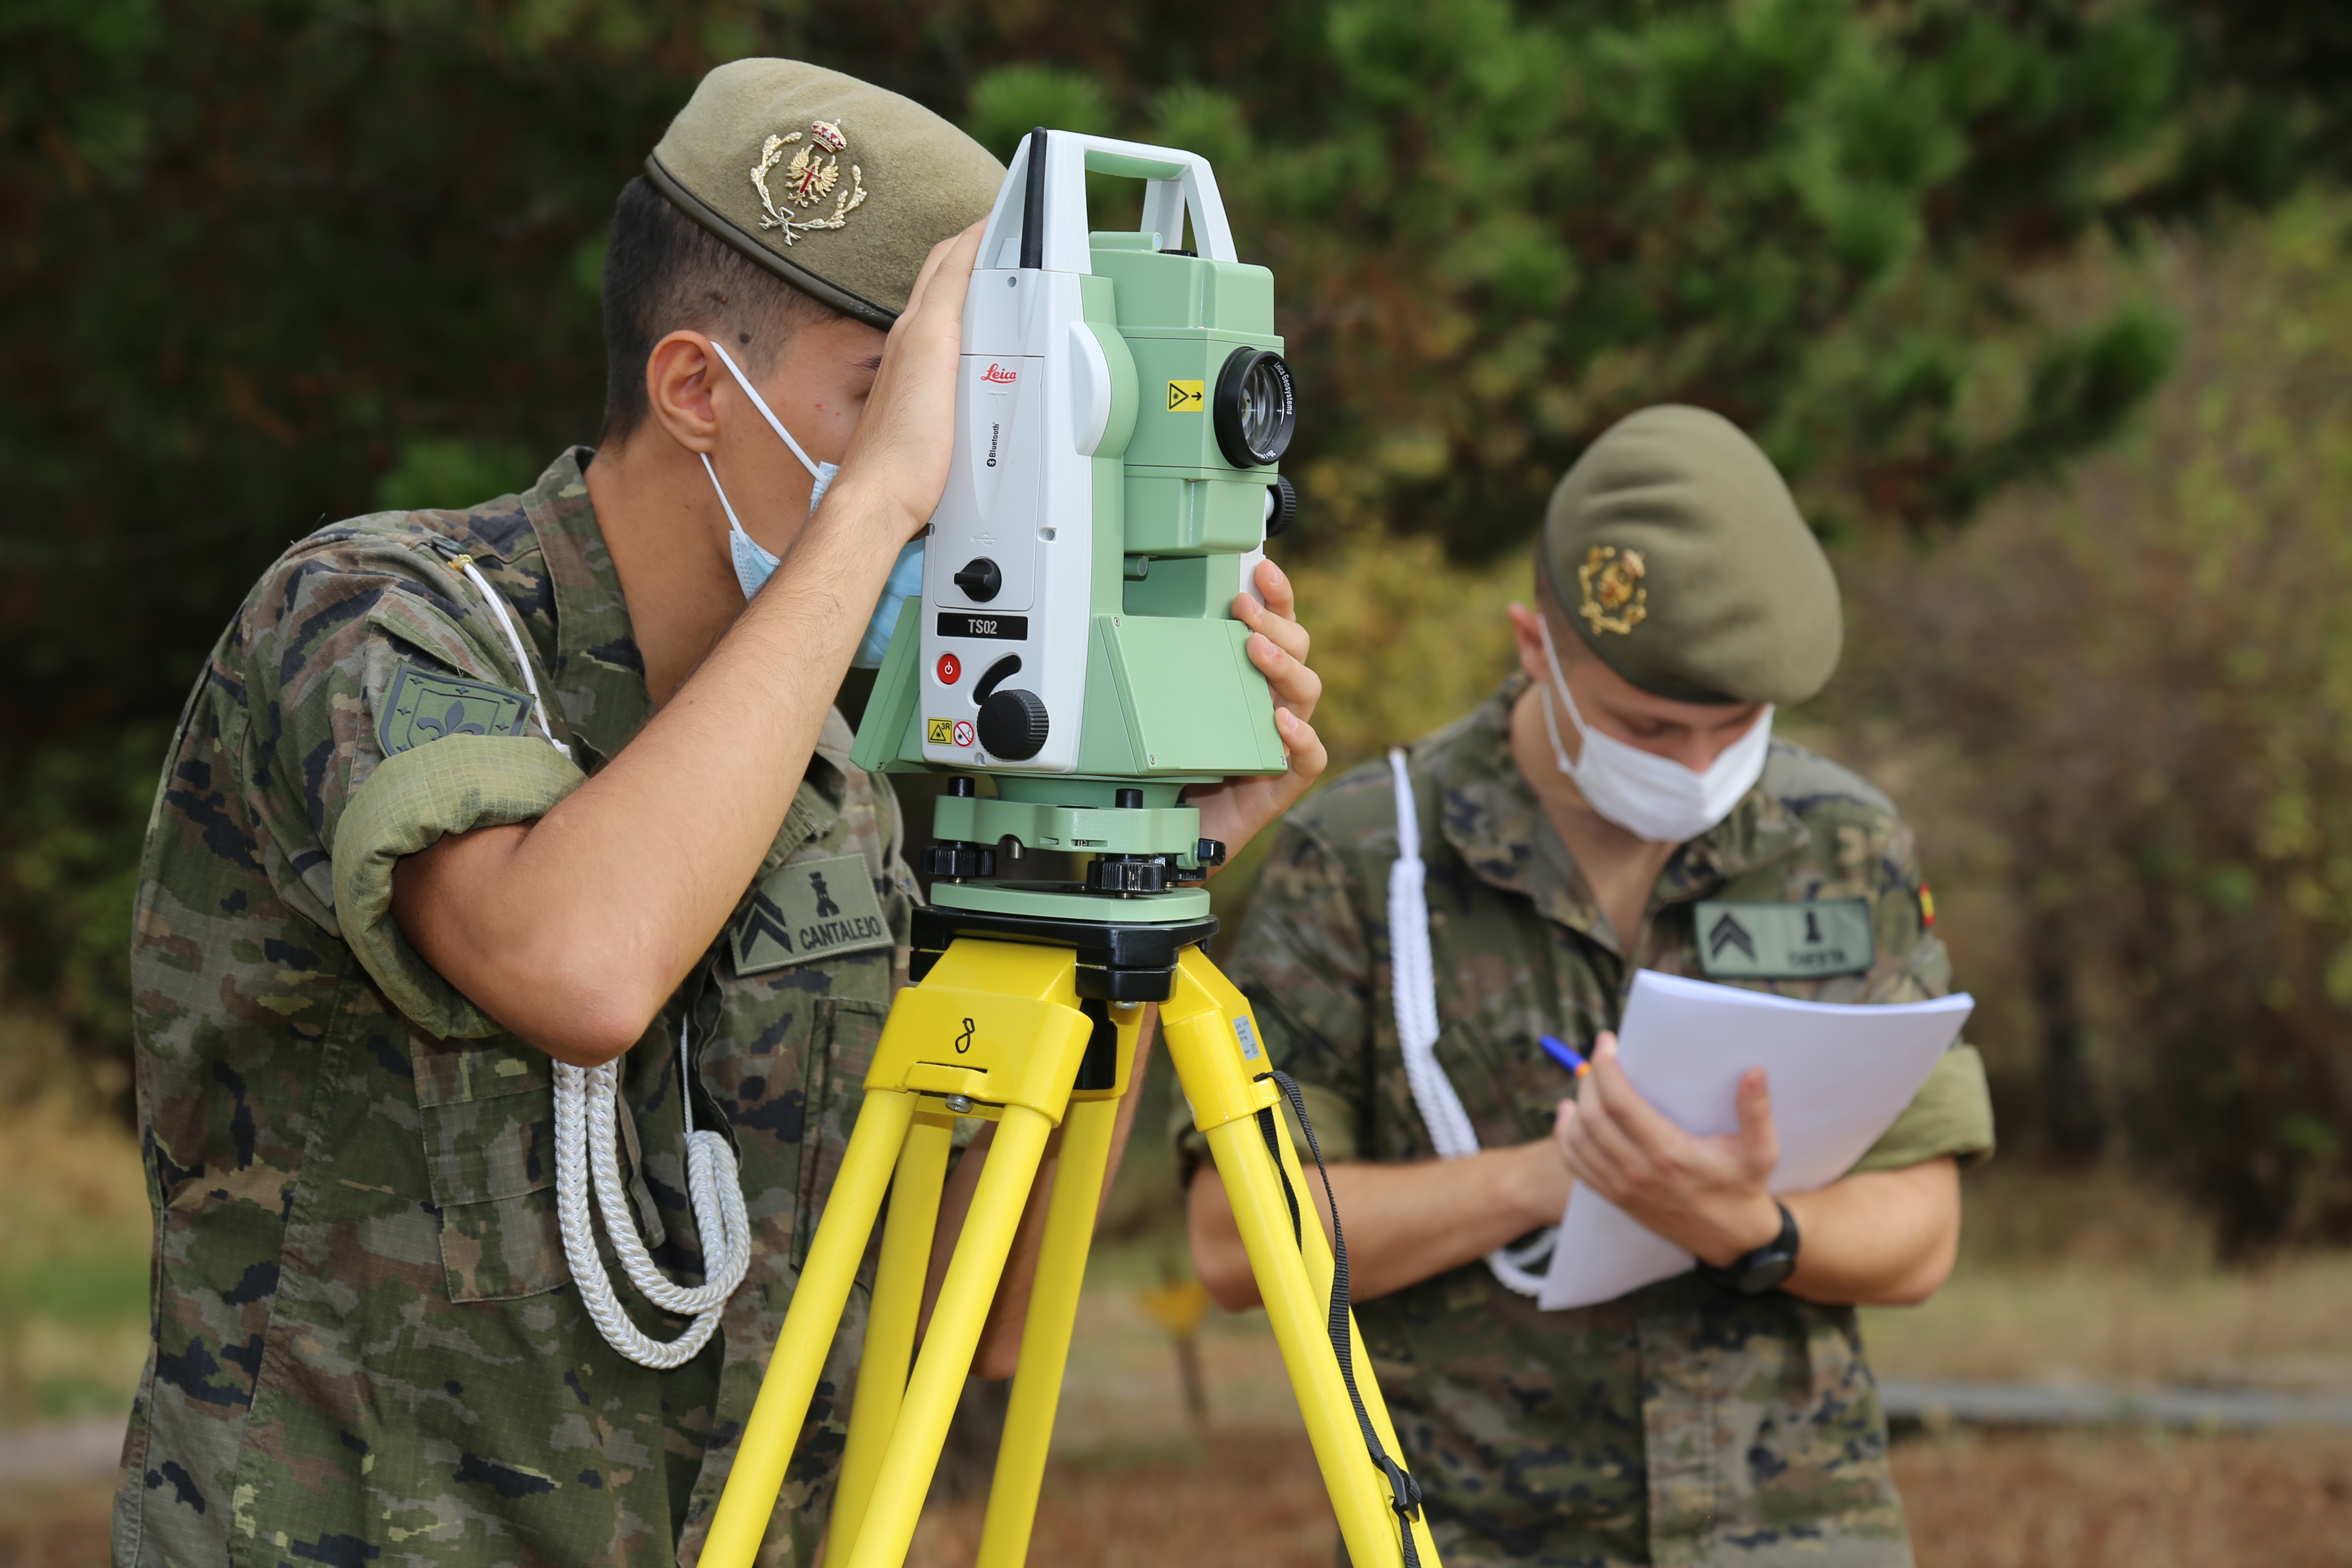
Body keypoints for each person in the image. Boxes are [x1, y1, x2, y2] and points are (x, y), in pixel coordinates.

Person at [117, 59, 1329, 1568]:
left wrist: (1132, 877)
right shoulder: (376, 618)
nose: (965, 471)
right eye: (919, 401)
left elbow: (972, 1324)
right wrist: (878, 503)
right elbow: (577, 965)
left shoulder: (837, 787)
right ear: (699, 388)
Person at [1185, 405, 1993, 1568]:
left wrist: (1749, 1229)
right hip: (1471, 1530)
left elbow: (1920, 1236)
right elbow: (1232, 1243)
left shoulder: (1841, 844)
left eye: (1738, 727)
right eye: (1651, 726)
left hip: (1794, 1530)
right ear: (1535, 646)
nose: (1700, 766)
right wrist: (1551, 1178)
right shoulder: (1369, 856)